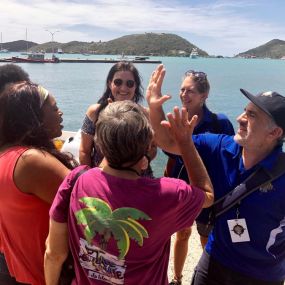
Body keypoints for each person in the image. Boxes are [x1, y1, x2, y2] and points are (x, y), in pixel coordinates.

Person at [44, 100, 214, 285]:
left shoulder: (77, 179)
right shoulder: (168, 194)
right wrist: (185, 143)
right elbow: (207, 195)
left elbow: (54, 254)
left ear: (99, 142)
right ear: (149, 145)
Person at [147, 64, 285, 285]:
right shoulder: (220, 146)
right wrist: (154, 106)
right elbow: (169, 142)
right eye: (244, 110)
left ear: (275, 132)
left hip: (261, 275)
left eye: (251, 115)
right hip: (215, 259)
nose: (240, 118)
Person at [0, 81, 76, 285]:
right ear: (34, 116)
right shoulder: (30, 161)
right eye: (53, 107)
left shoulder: (9, 154)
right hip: (44, 275)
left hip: (18, 271)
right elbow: (88, 200)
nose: (60, 113)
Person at [165, 70, 234, 285]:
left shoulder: (219, 123)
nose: (184, 94)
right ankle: (177, 278)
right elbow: (170, 152)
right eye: (182, 89)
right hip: (183, 186)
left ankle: (210, 276)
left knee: (206, 238)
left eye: (190, 91)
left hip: (209, 190)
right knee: (182, 234)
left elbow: (231, 155)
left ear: (204, 95)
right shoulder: (176, 119)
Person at [79, 61, 145, 167]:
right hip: (102, 177)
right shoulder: (95, 112)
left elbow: (153, 148)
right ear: (110, 83)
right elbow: (84, 151)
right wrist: (90, 179)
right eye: (118, 82)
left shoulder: (144, 114)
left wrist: (147, 157)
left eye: (129, 83)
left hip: (137, 178)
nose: (123, 88)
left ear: (135, 86)